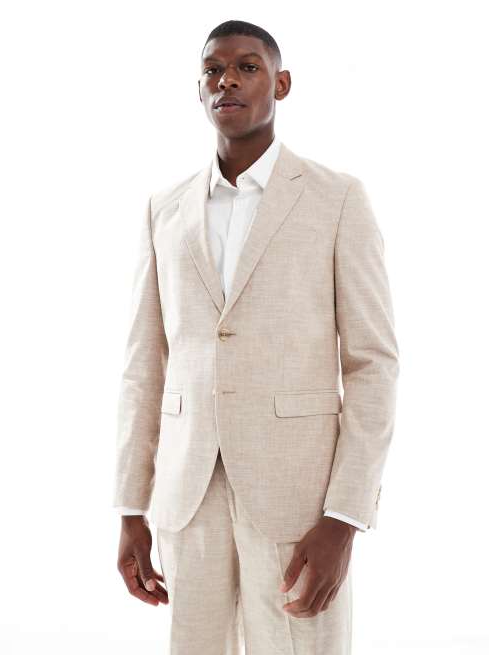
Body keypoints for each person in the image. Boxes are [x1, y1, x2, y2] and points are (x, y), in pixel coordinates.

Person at [113, 19, 399, 655]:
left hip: (298, 494)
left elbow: (373, 364)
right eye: (213, 70)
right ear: (199, 89)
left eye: (247, 67)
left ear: (281, 83)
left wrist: (345, 517)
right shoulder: (166, 208)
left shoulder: (337, 199)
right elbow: (144, 365)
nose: (228, 81)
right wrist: (131, 508)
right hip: (187, 495)